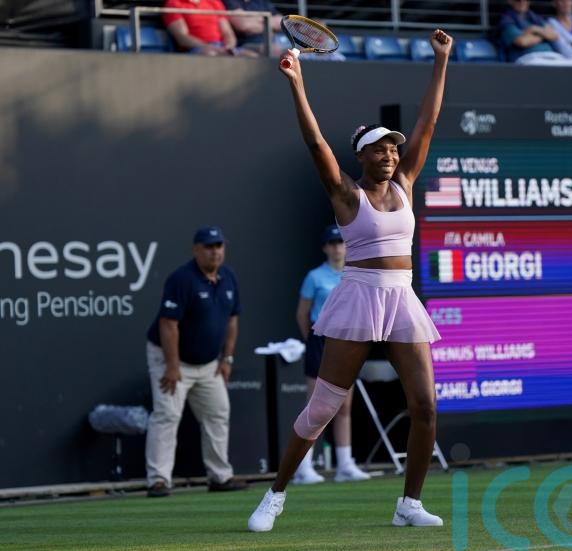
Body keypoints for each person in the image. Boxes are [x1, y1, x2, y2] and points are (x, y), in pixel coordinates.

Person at [247, 28, 452, 532]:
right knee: (322, 409)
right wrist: (296, 81)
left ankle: (408, 504)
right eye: (378, 149)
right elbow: (315, 141)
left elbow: (427, 122)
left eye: (392, 148)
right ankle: (275, 495)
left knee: (425, 406)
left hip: (400, 297)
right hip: (358, 297)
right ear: (361, 156)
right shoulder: (345, 194)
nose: (389, 153)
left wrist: (441, 61)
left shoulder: (404, 183)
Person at [144, 225, 247, 497]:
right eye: (209, 247)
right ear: (196, 250)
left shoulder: (228, 277)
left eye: (219, 246)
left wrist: (227, 358)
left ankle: (220, 477)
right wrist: (173, 365)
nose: (215, 252)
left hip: (209, 364)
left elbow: (232, 319)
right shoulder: (182, 278)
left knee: (218, 412)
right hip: (172, 360)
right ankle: (158, 480)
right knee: (167, 414)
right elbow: (168, 324)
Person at [293, 224, 371, 484]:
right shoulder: (315, 277)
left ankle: (345, 465)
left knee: (344, 405)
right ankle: (303, 467)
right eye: (333, 243)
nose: (338, 247)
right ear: (326, 248)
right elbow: (302, 314)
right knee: (315, 406)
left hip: (345, 341)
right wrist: (314, 339)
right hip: (320, 340)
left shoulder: (353, 275)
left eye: (341, 242)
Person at [163, 0, 256, 57]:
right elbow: (182, 37)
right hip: (197, 49)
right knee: (211, 55)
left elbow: (227, 31)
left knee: (251, 56)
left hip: (222, 47)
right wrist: (209, 47)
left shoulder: (214, 2)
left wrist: (229, 47)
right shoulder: (173, 4)